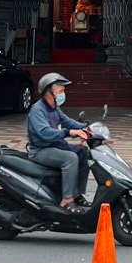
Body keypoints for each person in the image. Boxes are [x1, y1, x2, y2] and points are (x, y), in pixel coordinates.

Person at [27, 72, 92, 213]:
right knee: (70, 158)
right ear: (49, 92)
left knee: (84, 152)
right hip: (40, 150)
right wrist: (68, 132)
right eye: (61, 91)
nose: (63, 94)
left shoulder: (54, 109)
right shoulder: (37, 110)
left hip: (55, 147)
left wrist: (87, 128)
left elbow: (68, 122)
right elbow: (44, 133)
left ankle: (76, 193)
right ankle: (67, 200)